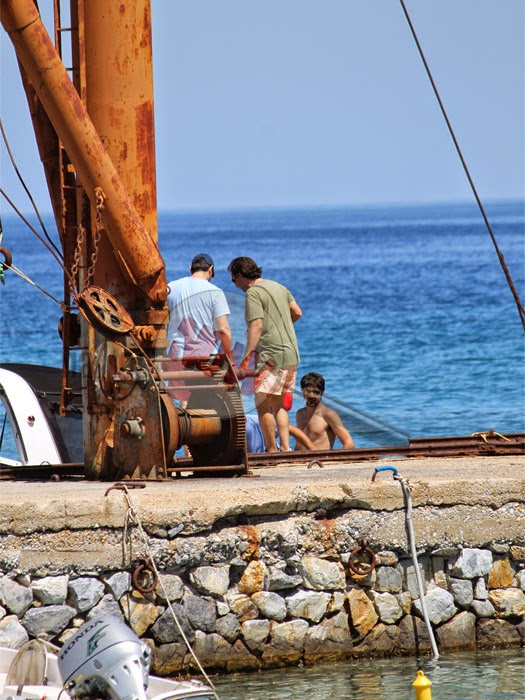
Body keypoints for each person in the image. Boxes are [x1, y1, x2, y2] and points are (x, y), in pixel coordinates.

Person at [228, 256, 302, 453]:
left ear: (241, 276)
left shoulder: (253, 293)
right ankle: (285, 448)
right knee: (279, 404)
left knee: (262, 404)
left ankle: (271, 449)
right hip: (291, 352)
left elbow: (257, 325)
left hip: (270, 355)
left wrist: (245, 359)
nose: (235, 285)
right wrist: (281, 329)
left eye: (234, 280)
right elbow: (297, 312)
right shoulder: (278, 286)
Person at [167, 253, 232, 362]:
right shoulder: (215, 292)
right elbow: (223, 330)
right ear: (210, 270)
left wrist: (162, 354)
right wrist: (230, 359)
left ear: (190, 269)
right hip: (205, 357)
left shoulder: (171, 287)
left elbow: (163, 325)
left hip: (176, 355)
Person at [295, 372, 355, 450]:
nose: (311, 395)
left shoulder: (328, 415)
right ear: (302, 391)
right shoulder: (300, 414)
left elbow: (349, 443)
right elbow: (299, 444)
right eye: (308, 392)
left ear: (322, 393)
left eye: (316, 392)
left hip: (320, 461)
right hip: (300, 460)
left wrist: (334, 459)